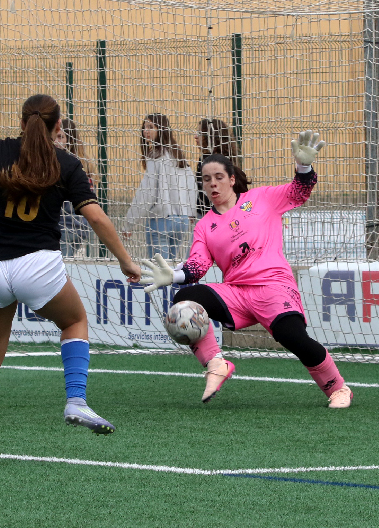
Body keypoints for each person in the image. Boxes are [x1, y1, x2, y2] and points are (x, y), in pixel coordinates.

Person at [0, 94, 140, 464]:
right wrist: (125, 260)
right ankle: (76, 400)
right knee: (74, 322)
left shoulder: (0, 151)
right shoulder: (66, 162)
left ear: (21, 122)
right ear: (58, 127)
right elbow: (96, 217)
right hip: (39, 265)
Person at [140, 131, 353, 408]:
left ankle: (338, 389)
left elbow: (298, 192)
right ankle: (216, 364)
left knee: (293, 338)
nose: (213, 183)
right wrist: (175, 275)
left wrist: (303, 167)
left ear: (231, 179)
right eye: (206, 179)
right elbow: (198, 264)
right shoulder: (204, 226)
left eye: (219, 177)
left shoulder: (261, 198)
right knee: (184, 299)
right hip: (237, 294)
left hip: (274, 286)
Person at [123, 113, 195, 261]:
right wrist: (191, 212)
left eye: (151, 127)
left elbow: (146, 194)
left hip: (161, 220)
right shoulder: (177, 154)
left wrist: (129, 223)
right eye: (144, 127)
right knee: (171, 267)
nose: (146, 131)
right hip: (182, 220)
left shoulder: (155, 156)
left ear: (161, 129)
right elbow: (191, 185)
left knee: (159, 269)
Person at [54, 117, 94, 258]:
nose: (56, 141)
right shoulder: (82, 162)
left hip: (67, 226)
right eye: (55, 136)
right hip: (81, 226)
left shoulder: (66, 164)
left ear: (69, 140)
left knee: (63, 264)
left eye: (60, 137)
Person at [194, 118, 240, 218]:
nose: (195, 136)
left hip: (209, 213)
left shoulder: (207, 160)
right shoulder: (228, 157)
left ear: (210, 136)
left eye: (200, 133)